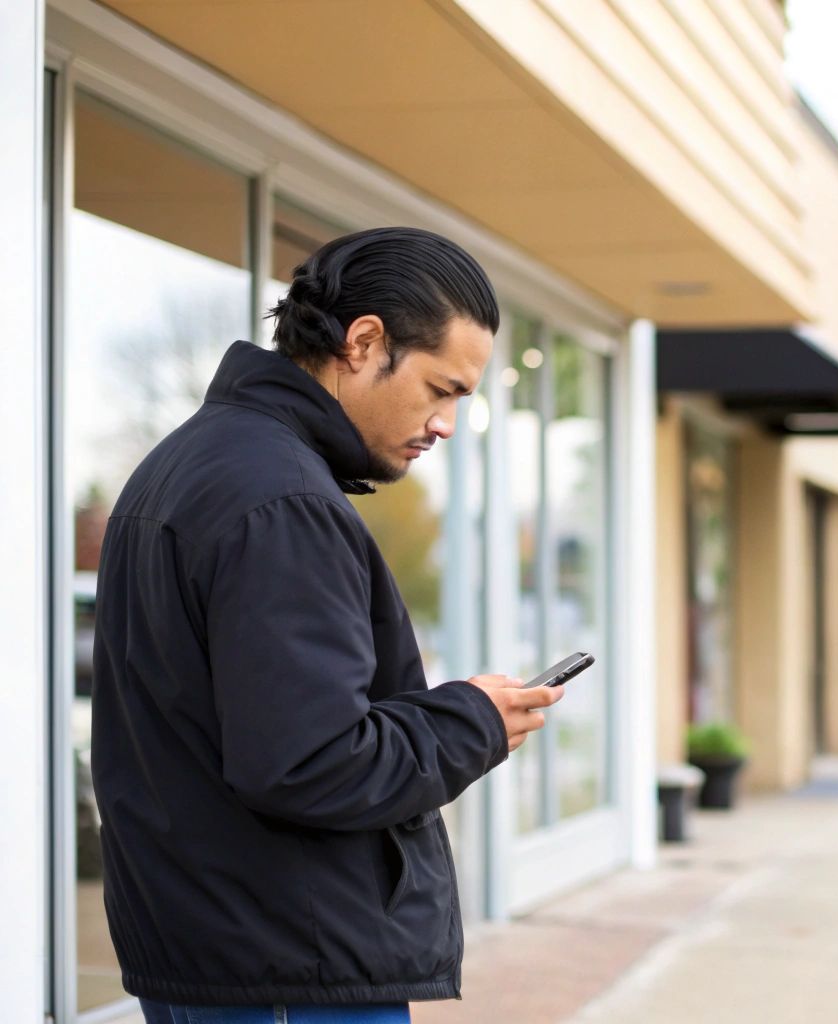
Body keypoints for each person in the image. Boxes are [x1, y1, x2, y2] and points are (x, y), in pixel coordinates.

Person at [90, 227, 562, 1024]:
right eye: (441, 389)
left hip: (219, 954)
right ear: (364, 342)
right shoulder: (283, 501)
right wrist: (472, 722)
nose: (446, 423)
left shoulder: (192, 463)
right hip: (286, 967)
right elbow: (311, 762)